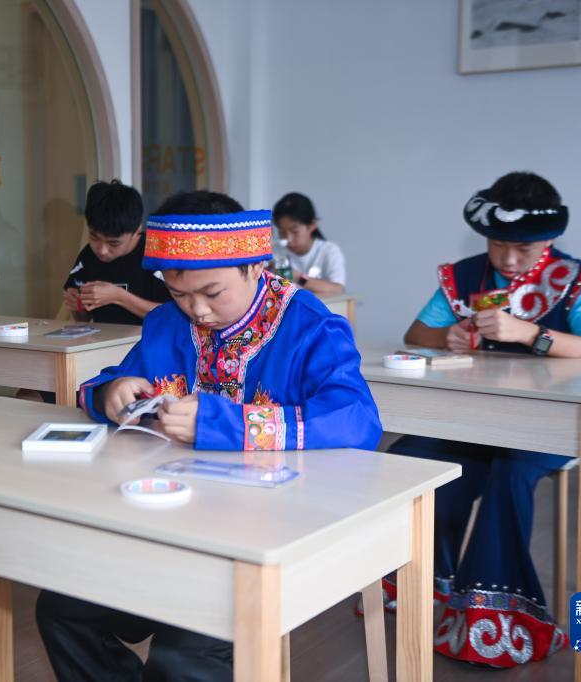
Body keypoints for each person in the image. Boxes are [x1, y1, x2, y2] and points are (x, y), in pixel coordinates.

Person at [36, 190, 382, 681]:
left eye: (213, 293)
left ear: (255, 266)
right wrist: (110, 392)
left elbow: (357, 419)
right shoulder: (166, 323)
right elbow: (106, 382)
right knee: (62, 611)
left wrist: (226, 424)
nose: (197, 310)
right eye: (179, 293)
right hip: (166, 530)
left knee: (183, 657)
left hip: (261, 543)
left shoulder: (310, 327)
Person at [388, 171, 581, 668]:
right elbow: (416, 333)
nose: (508, 260)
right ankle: (421, 587)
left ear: (548, 240)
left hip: (551, 421)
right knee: (410, 461)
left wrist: (531, 334)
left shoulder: (576, 278)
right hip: (475, 418)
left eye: (522, 250)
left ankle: (502, 618)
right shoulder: (467, 275)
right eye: (498, 245)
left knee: (510, 473)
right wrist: (448, 337)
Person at [63, 179, 171, 325]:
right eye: (94, 237)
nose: (102, 250)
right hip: (105, 337)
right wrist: (77, 306)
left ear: (137, 231)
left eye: (114, 243)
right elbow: (83, 320)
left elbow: (174, 317)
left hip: (150, 338)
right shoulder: (88, 256)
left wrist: (118, 296)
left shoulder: (158, 255)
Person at [271, 191, 346, 296]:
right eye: (282, 232)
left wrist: (297, 277)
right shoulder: (276, 251)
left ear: (312, 225)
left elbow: (338, 289)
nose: (288, 239)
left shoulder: (329, 251)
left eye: (295, 231)